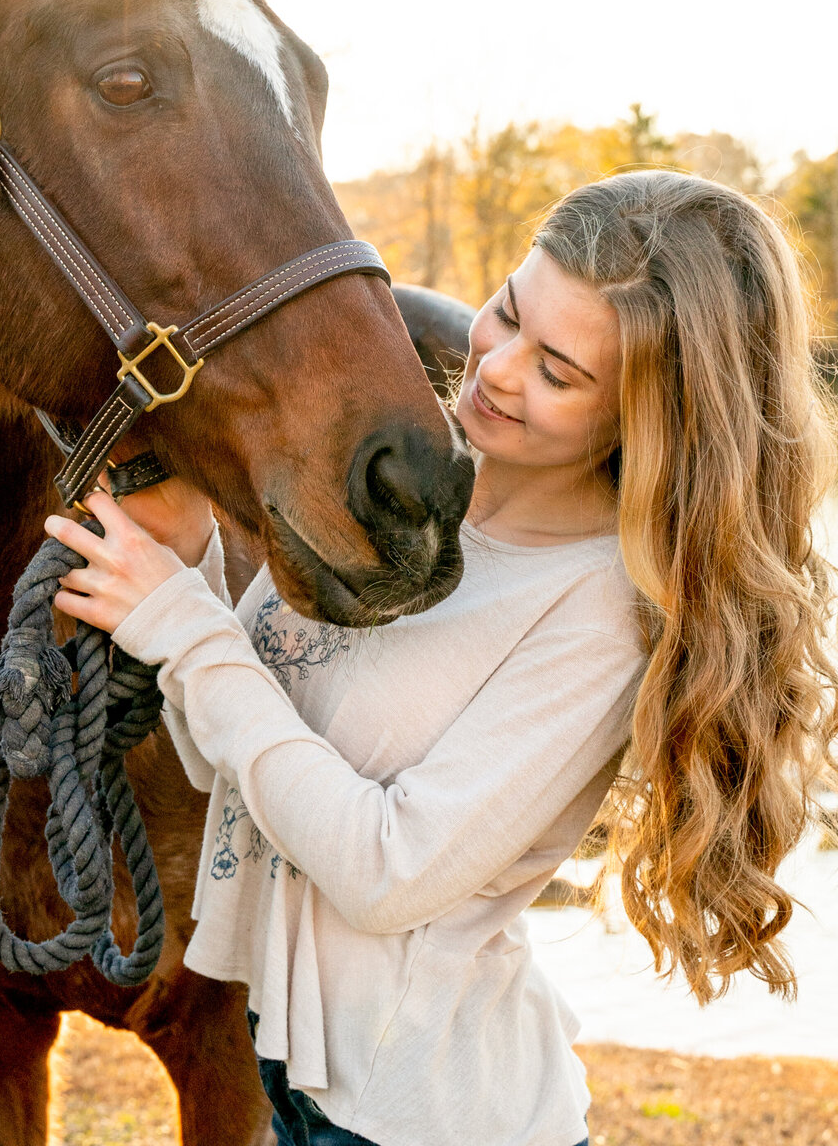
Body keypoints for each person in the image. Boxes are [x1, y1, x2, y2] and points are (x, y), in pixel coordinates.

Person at [48, 171, 838, 1146]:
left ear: (648, 419)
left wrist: (184, 627)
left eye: (558, 372)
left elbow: (386, 875)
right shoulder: (406, 499)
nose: (496, 368)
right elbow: (237, 767)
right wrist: (191, 569)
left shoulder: (599, 612)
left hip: (433, 1120)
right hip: (294, 1085)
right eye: (506, 313)